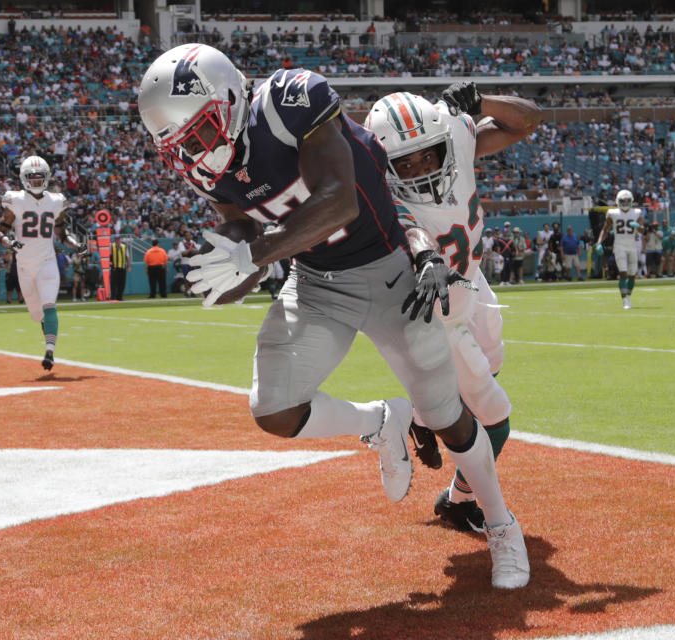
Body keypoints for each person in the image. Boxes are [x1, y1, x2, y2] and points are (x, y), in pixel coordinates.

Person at [139, 44, 528, 589]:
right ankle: (379, 423)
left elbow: (339, 200)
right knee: (272, 407)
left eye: (199, 137)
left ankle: (502, 525)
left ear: (229, 101)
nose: (193, 157)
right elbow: (243, 225)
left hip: (392, 267)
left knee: (448, 416)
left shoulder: (289, 101)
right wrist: (229, 267)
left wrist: (252, 256)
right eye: (178, 149)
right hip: (318, 279)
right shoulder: (204, 168)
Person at [366, 86, 540, 548]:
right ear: (384, 165)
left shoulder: (457, 133)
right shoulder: (376, 193)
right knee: (495, 415)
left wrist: (482, 101)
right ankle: (460, 499)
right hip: (434, 309)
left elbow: (526, 119)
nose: (422, 169)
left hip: (472, 281)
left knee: (493, 356)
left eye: (429, 155)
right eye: (406, 163)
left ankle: (422, 415)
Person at [0, 155, 86, 370]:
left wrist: (76, 245)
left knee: (49, 306)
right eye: (32, 178)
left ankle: (49, 351)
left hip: (47, 261)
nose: (36, 182)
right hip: (24, 265)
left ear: (47, 178)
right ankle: (47, 336)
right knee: (37, 314)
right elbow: (1, 230)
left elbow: (61, 233)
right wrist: (9, 242)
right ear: (24, 179)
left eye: (40, 178)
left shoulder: (56, 201)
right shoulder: (14, 199)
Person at [596, 189, 644, 309]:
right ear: (618, 201)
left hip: (632, 245)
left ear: (631, 201)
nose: (625, 203)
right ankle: (625, 301)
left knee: (632, 275)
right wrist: (598, 243)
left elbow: (643, 230)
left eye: (627, 200)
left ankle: (628, 296)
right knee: (623, 273)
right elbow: (605, 229)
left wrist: (638, 226)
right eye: (623, 200)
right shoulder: (613, 213)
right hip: (619, 245)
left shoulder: (637, 212)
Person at [110, 235, 130, 301]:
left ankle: (120, 296)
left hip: (122, 267)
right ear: (115, 240)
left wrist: (129, 266)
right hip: (114, 267)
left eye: (118, 239)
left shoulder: (124, 247)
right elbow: (109, 255)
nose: (117, 241)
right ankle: (113, 297)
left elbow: (127, 257)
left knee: (122, 283)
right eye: (116, 239)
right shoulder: (111, 246)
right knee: (113, 283)